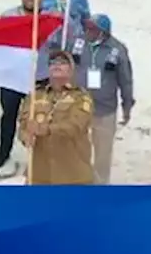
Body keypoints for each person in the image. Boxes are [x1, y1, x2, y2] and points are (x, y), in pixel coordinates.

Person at [18, 50, 94, 185]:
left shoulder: (81, 97)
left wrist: (47, 130)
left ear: (71, 70)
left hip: (72, 175)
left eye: (63, 63)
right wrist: (25, 135)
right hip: (40, 175)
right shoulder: (35, 95)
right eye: (53, 63)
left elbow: (75, 126)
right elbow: (23, 123)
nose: (57, 65)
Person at [0, 0, 44, 172]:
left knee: (39, 117)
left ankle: (38, 157)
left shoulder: (48, 17)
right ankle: (3, 152)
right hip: (12, 75)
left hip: (37, 77)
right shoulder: (9, 15)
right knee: (8, 115)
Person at [77, 14, 133, 184]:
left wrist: (127, 104)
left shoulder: (118, 50)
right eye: (86, 27)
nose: (87, 31)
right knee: (79, 149)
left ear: (103, 32)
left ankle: (100, 185)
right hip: (79, 108)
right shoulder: (78, 43)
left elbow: (126, 79)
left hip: (104, 110)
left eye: (92, 29)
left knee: (103, 152)